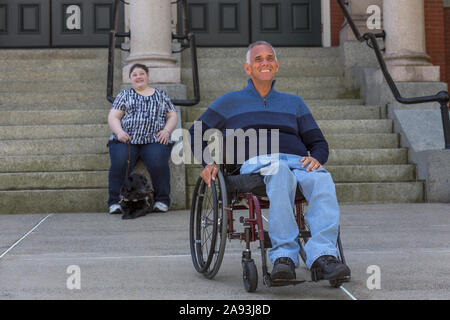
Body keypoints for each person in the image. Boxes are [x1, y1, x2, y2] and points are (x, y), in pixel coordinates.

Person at [189, 41, 351, 282]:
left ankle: (324, 255)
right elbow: (195, 132)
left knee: (321, 179)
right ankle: (283, 256)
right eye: (258, 59)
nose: (264, 63)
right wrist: (208, 163)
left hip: (297, 162)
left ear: (276, 66)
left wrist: (316, 158)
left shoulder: (294, 103)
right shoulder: (229, 101)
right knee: (280, 171)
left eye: (269, 59)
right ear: (248, 68)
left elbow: (318, 141)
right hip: (256, 163)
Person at [107, 63, 178, 214]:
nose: (138, 77)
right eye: (134, 74)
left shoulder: (160, 95)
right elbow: (113, 116)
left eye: (141, 73)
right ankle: (115, 201)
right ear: (130, 79)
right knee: (119, 162)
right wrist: (119, 132)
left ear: (147, 76)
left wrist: (166, 130)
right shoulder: (125, 95)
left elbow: (172, 115)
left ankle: (162, 200)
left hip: (154, 139)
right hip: (127, 139)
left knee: (158, 163)